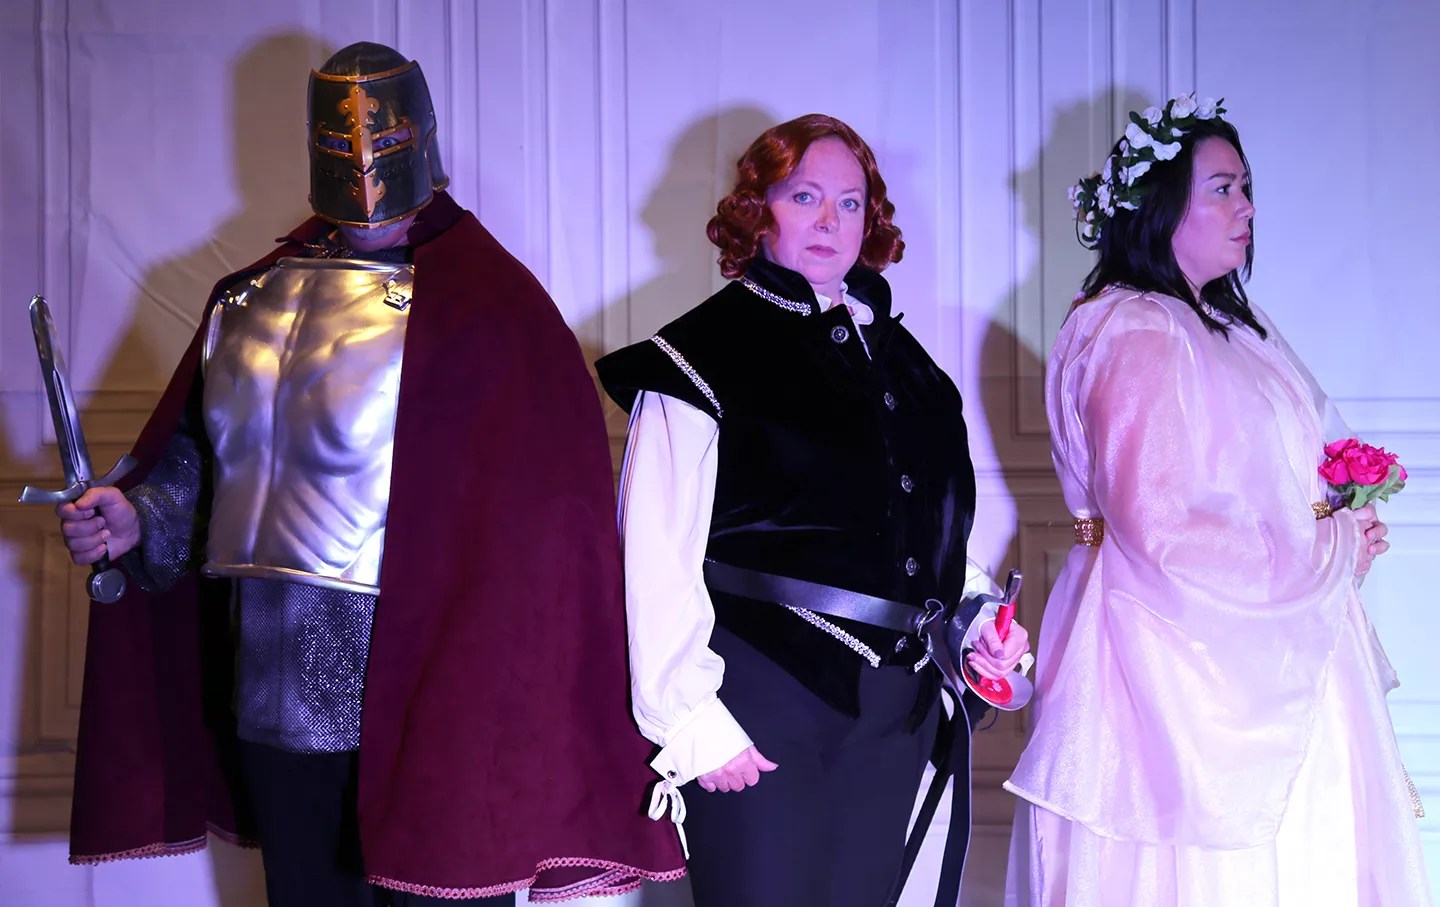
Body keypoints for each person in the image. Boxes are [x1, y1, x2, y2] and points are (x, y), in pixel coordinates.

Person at [52, 41, 685, 906]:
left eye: (382, 141)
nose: (363, 163)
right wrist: (138, 518)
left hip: (433, 686)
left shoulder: (490, 309)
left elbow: (545, 525)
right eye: (341, 143)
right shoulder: (249, 297)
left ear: (420, 137)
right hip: (272, 674)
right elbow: (205, 460)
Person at [1003, 95, 1431, 905]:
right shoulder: (1136, 327)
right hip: (1166, 660)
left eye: (1247, 188)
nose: (1247, 208)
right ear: (1162, 204)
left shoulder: (1232, 324)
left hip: (1259, 647)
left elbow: (1273, 477)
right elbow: (1162, 525)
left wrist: (1340, 523)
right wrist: (1327, 546)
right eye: (1224, 188)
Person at [595, 113, 1031, 907]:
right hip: (759, 704)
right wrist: (690, 718)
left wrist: (977, 622)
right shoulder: (701, 354)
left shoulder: (912, 369)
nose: (830, 221)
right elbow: (652, 551)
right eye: (805, 197)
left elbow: (922, 530)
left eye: (850, 203)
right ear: (757, 209)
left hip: (893, 715)